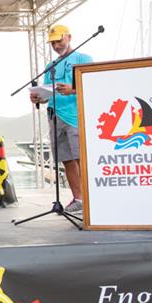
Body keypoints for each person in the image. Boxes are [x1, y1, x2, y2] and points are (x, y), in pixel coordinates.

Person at [29, 24, 92, 214]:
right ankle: (78, 199)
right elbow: (49, 90)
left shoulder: (83, 58)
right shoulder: (51, 66)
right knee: (66, 159)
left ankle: (92, 199)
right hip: (55, 115)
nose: (56, 45)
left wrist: (73, 89)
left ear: (69, 37)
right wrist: (38, 97)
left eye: (59, 40)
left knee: (82, 158)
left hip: (76, 116)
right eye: (53, 42)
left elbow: (93, 84)